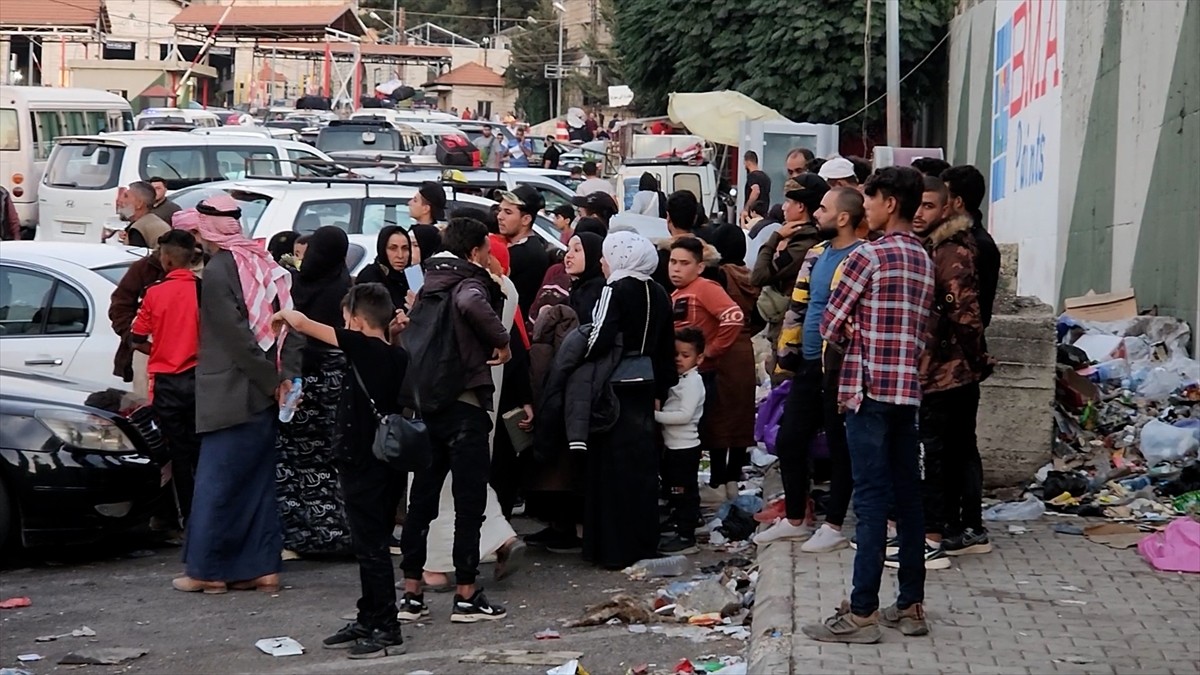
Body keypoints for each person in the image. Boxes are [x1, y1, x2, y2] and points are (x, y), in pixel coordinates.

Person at [804, 166, 934, 643]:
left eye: (873, 199)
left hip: (866, 390)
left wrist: (856, 328)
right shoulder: (923, 257)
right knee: (909, 498)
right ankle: (911, 604)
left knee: (872, 499)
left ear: (890, 203)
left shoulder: (869, 256)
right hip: (907, 392)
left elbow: (830, 323)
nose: (869, 207)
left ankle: (862, 612)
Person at [175, 194, 303, 595]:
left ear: (207, 230)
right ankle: (262, 569)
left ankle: (208, 572)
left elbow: (236, 338)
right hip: (268, 394)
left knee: (217, 484)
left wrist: (271, 380)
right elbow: (290, 327)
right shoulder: (265, 263)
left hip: (232, 393)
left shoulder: (218, 269)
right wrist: (285, 379)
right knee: (258, 485)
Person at [274, 284, 410, 658]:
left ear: (355, 319)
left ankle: (386, 626)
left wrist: (284, 316)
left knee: (371, 548)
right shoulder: (394, 356)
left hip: (363, 463)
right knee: (373, 542)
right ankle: (369, 616)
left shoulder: (363, 347)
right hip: (388, 462)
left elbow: (305, 324)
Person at [398, 217, 511, 624]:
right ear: (476, 249)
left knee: (421, 504)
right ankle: (466, 594)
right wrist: (502, 340)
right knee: (469, 503)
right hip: (463, 406)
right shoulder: (469, 281)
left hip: (427, 406)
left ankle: (411, 595)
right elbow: (471, 306)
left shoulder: (428, 282)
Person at [759, 188, 866, 551]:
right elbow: (798, 306)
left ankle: (834, 525)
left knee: (839, 446)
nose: (815, 214)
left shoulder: (863, 257)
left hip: (841, 366)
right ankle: (794, 518)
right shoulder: (817, 254)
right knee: (790, 439)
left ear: (843, 217)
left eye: (823, 209)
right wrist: (785, 355)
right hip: (805, 364)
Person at [897, 175, 994, 568]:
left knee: (941, 452)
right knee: (948, 450)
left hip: (949, 371)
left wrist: (976, 360)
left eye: (928, 206)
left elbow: (966, 316)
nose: (920, 214)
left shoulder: (953, 251)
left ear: (949, 205)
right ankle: (955, 526)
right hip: (939, 369)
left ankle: (948, 531)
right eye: (916, 206)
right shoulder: (931, 247)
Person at [582, 231, 678, 569]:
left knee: (609, 468)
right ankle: (642, 542)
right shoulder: (660, 292)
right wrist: (661, 391)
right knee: (641, 467)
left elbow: (598, 337)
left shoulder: (615, 289)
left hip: (614, 386)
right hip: (647, 383)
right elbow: (668, 350)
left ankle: (611, 548)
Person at [275, 226, 354, 557]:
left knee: (294, 459)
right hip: (336, 381)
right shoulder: (344, 286)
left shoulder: (297, 287)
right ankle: (335, 532)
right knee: (328, 461)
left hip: (300, 383)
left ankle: (299, 535)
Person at [667, 236, 745, 509]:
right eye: (673, 262)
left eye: (684, 263)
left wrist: (712, 350)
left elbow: (733, 316)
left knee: (692, 439)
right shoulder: (679, 292)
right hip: (684, 375)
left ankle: (690, 506)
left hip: (703, 375)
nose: (676, 268)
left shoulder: (704, 288)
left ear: (699, 267)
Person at [129, 229, 201, 523]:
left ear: (167, 259)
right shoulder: (203, 290)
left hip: (166, 383)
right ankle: (209, 512)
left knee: (178, 453)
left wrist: (159, 350)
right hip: (201, 379)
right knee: (203, 448)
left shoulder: (154, 293)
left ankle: (187, 515)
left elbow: (136, 337)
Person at [704, 224, 761, 506]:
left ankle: (717, 479)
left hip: (722, 348)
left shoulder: (720, 276)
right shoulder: (751, 276)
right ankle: (733, 478)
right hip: (745, 350)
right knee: (740, 414)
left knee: (718, 415)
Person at [751, 174, 829, 374]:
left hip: (792, 330)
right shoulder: (801, 238)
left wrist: (774, 238)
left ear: (801, 206)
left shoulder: (804, 243)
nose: (784, 207)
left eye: (789, 201)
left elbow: (759, 276)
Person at [109, 184, 173, 396]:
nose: (120, 201)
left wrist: (135, 340)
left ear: (139, 203)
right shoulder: (150, 224)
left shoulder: (141, 230)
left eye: (126, 196)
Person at [655, 327, 706, 556]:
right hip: (673, 446)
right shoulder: (681, 379)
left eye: (686, 356)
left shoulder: (693, 382)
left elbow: (684, 415)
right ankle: (678, 524)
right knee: (675, 491)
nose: (679, 359)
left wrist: (654, 417)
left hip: (684, 447)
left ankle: (686, 536)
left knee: (683, 492)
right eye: (676, 354)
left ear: (699, 358)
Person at [940, 165, 1000, 329]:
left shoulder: (979, 245)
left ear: (958, 202)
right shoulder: (944, 239)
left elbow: (978, 311)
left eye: (944, 197)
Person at [355, 225, 413, 312]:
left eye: (405, 248)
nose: (400, 255)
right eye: (393, 248)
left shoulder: (411, 276)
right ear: (382, 249)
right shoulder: (370, 277)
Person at [742, 151, 771, 220]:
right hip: (764, 214)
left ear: (747, 162)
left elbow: (756, 191)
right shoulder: (766, 177)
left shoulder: (752, 176)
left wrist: (746, 208)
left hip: (753, 214)